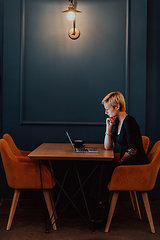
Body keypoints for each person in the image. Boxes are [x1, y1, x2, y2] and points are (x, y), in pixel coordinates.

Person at [89, 91, 149, 222]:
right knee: (100, 167)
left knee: (103, 169)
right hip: (127, 163)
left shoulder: (129, 122)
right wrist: (108, 128)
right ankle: (100, 206)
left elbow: (133, 150)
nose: (106, 112)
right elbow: (108, 147)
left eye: (107, 109)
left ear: (117, 107)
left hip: (134, 166)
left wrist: (120, 162)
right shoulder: (118, 122)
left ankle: (101, 208)